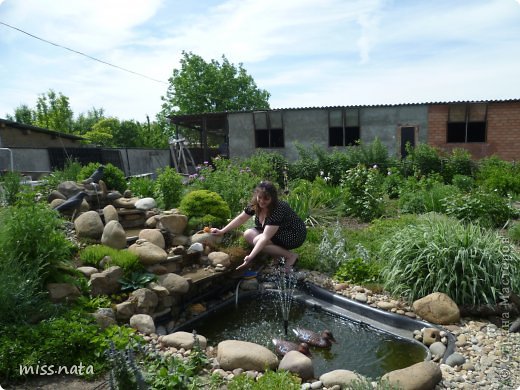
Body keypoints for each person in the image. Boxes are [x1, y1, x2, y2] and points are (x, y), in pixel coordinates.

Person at [211, 181, 307, 272]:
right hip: (278, 231)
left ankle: (290, 256)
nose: (262, 201)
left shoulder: (278, 209)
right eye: (259, 197)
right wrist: (222, 231)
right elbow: (241, 218)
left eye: (266, 199)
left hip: (293, 234)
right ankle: (277, 256)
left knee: (258, 240)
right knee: (248, 234)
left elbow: (265, 238)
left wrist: (250, 257)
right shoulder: (255, 204)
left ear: (272, 198)